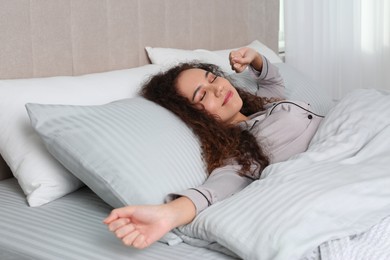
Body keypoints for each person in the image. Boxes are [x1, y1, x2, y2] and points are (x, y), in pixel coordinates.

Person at [103, 47, 323, 249]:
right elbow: (220, 186)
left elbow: (272, 82)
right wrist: (168, 214)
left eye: (214, 78)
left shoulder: (260, 107)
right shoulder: (244, 149)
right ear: (194, 115)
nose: (218, 89)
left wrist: (254, 58)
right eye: (203, 94)